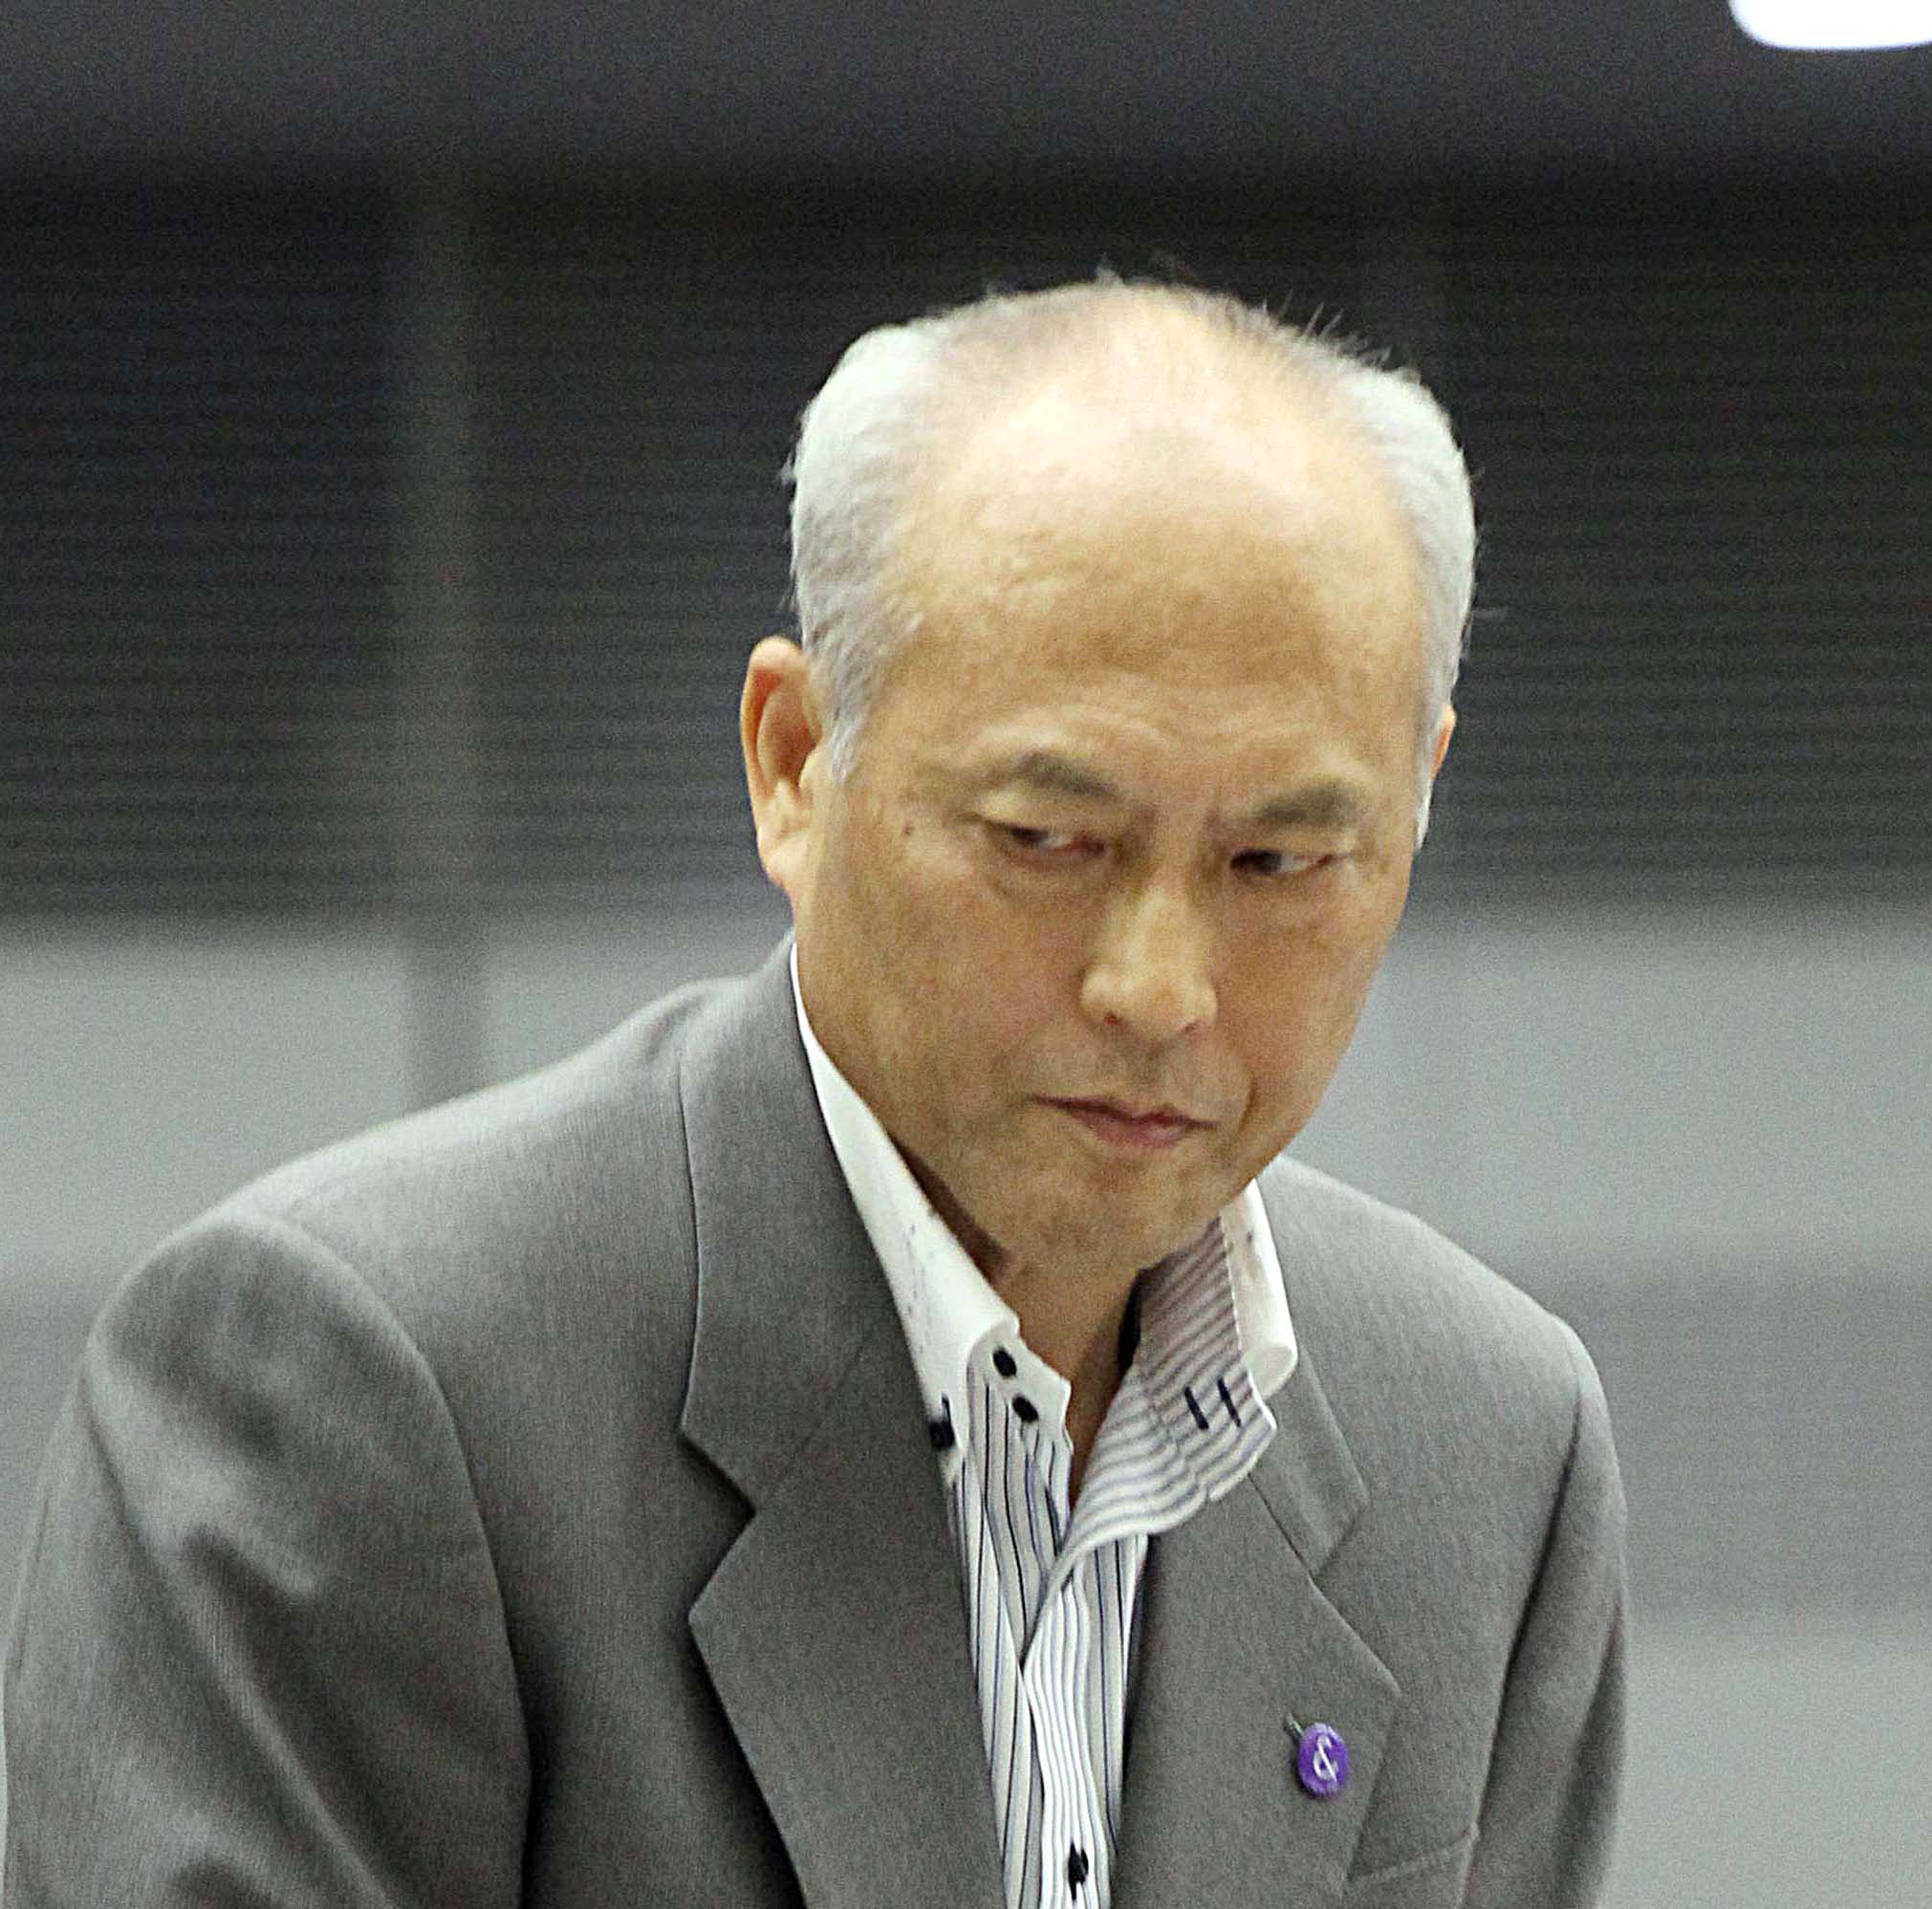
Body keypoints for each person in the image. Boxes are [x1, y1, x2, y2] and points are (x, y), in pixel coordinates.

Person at [2, 279, 1624, 1908]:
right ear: (792, 761)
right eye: (1048, 840)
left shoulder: (1484, 1449)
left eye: (1280, 860)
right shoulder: (361, 1390)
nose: (1157, 985)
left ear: (1415, 803)